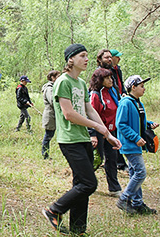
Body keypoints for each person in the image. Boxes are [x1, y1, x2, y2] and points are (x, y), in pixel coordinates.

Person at [42, 44, 121, 236]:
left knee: (80, 184)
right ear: (71, 59)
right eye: (82, 56)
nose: (87, 59)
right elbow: (68, 114)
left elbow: (90, 110)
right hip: (69, 140)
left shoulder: (81, 84)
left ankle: (78, 229)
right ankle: (54, 210)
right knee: (89, 183)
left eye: (87, 56)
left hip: (83, 137)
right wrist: (96, 127)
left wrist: (107, 134)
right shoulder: (63, 82)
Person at [115, 75, 158, 215]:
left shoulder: (137, 103)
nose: (144, 89)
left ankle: (137, 203)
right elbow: (121, 124)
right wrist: (136, 137)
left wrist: (149, 124)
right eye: (141, 86)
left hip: (136, 143)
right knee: (140, 172)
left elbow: (138, 121)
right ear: (133, 87)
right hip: (129, 144)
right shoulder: (125, 103)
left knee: (134, 172)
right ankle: (124, 198)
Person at [89, 68, 121, 196]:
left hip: (111, 131)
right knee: (98, 159)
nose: (111, 80)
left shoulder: (112, 92)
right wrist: (92, 134)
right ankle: (83, 181)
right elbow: (90, 114)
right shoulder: (96, 95)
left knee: (112, 159)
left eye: (111, 77)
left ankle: (114, 188)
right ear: (100, 80)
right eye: (107, 78)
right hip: (99, 132)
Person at [41, 70, 60, 159]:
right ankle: (45, 155)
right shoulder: (49, 88)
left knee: (49, 135)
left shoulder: (54, 87)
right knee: (48, 136)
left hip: (53, 115)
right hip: (50, 115)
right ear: (52, 77)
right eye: (57, 76)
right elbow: (53, 101)